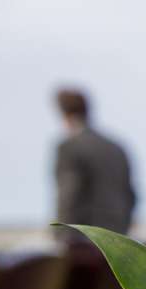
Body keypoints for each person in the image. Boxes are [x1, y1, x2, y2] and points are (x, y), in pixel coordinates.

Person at [52, 86, 138, 233]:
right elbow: (131, 195)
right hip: (119, 236)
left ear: (64, 114)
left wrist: (61, 233)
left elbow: (69, 196)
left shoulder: (69, 147)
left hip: (85, 239)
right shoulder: (116, 147)